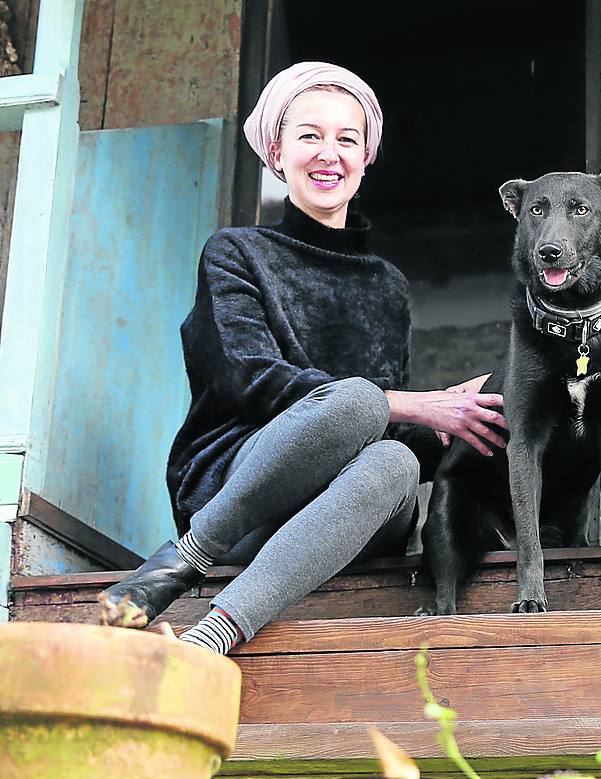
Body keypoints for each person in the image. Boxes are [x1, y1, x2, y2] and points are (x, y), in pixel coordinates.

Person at [99, 62, 507, 653]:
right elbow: (247, 379)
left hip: (348, 518)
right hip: (238, 500)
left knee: (395, 457)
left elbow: (389, 426)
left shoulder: (387, 286)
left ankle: (210, 630)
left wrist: (458, 416)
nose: (328, 154)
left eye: (347, 139)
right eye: (310, 135)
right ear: (276, 151)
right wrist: (411, 404)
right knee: (360, 400)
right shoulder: (235, 252)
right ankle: (190, 565)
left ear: (366, 157)